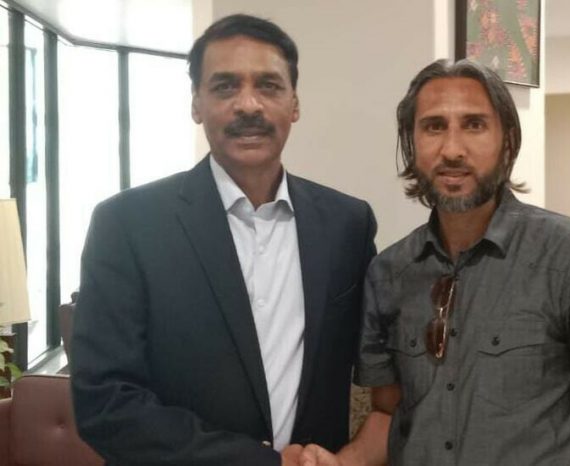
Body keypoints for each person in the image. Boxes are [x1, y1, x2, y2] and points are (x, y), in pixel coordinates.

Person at [300, 59, 570, 465]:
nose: (452, 150)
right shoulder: (389, 272)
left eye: (474, 125)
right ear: (412, 144)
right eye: (434, 126)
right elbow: (388, 414)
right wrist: (343, 462)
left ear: (507, 141)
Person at [70, 14, 376, 466]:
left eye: (269, 86)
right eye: (225, 86)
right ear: (197, 104)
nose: (248, 105)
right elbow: (105, 403)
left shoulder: (347, 224)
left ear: (294, 104)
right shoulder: (127, 225)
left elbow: (381, 362)